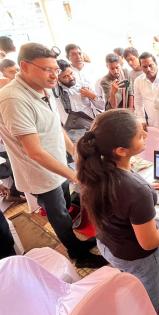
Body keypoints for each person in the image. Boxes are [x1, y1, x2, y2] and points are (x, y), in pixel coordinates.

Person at [76, 109, 159, 311]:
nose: (146, 137)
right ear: (121, 150)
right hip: (136, 256)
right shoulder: (134, 190)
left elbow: (121, 198)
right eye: (141, 136)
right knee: (149, 293)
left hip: (108, 244)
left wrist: (147, 187)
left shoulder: (99, 168)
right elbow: (149, 242)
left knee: (133, 284)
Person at [0, 43, 107, 268]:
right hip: (40, 170)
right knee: (58, 213)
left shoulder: (42, 88)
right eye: (47, 69)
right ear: (24, 66)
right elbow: (35, 152)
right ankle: (77, 254)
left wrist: (75, 154)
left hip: (56, 163)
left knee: (65, 206)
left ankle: (76, 242)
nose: (54, 75)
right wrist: (74, 175)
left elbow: (56, 127)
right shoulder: (13, 99)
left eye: (56, 70)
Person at [56, 59, 104, 143]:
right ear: (57, 78)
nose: (71, 78)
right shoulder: (55, 92)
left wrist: (92, 96)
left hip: (90, 128)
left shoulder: (84, 85)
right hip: (71, 133)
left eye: (71, 73)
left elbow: (102, 106)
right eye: (65, 76)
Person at [133, 52, 159, 133]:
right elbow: (138, 103)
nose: (148, 69)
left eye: (150, 65)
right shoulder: (138, 81)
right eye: (145, 67)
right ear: (141, 67)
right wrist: (142, 120)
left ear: (156, 64)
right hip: (152, 125)